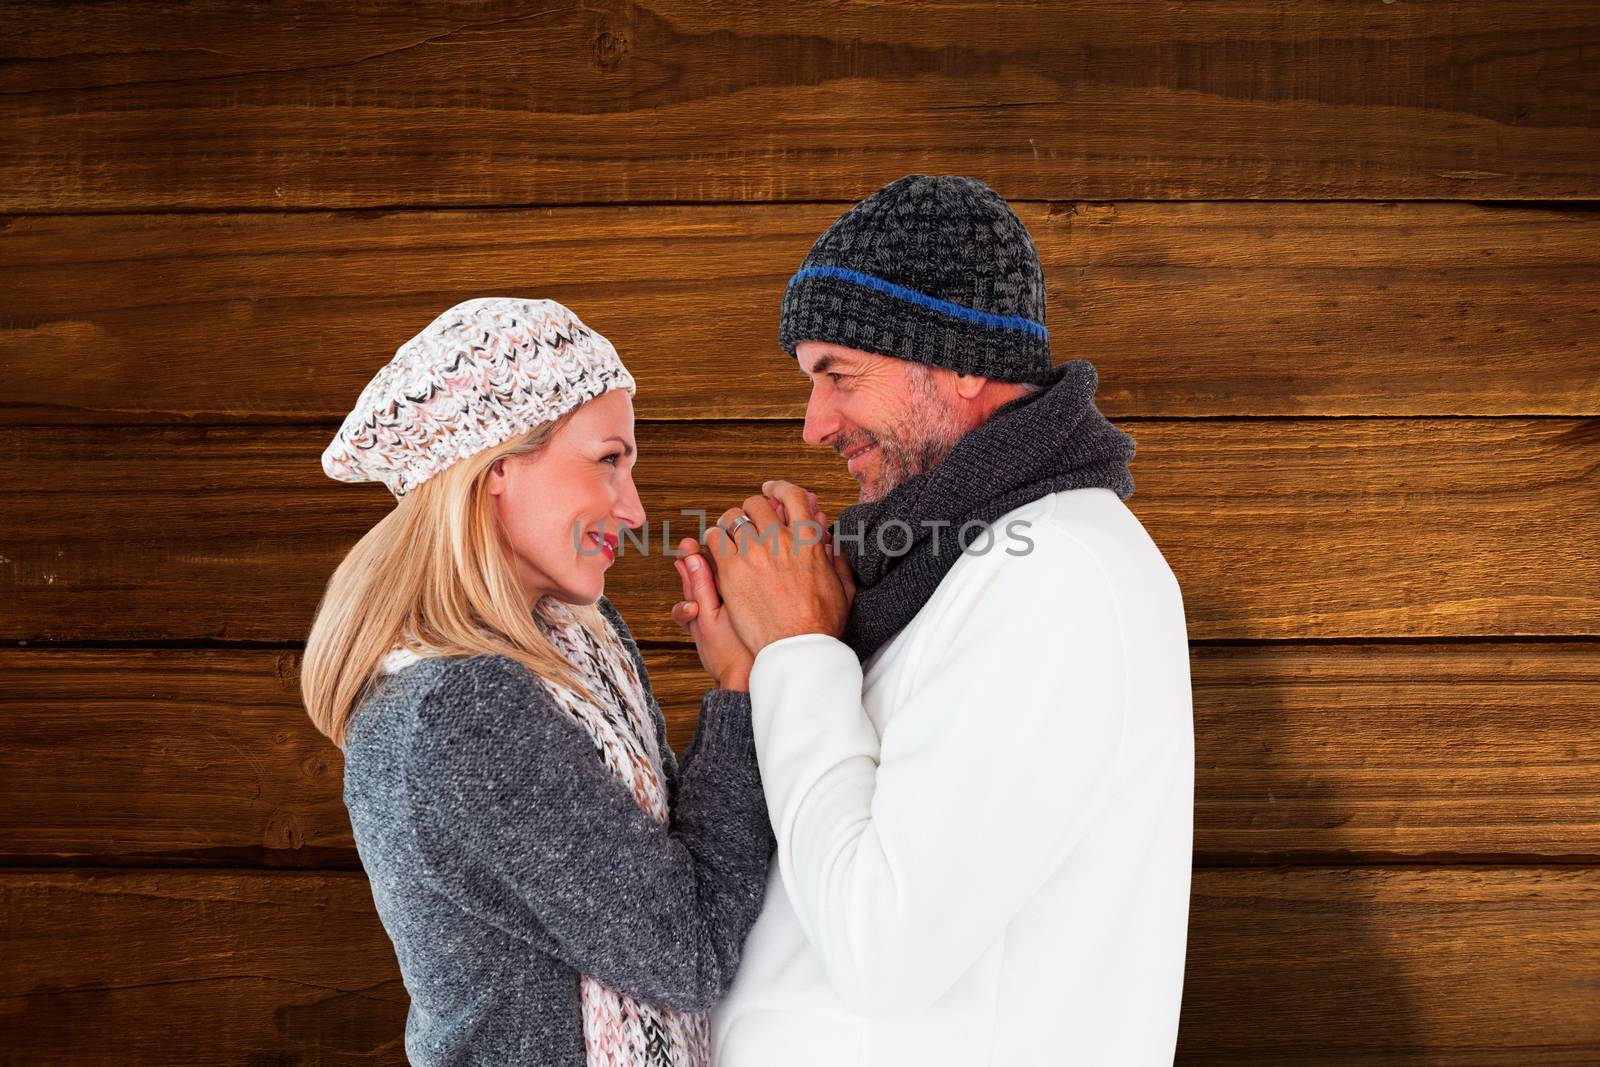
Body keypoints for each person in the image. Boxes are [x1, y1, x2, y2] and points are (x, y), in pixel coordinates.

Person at [685, 175, 1195, 1065]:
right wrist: (761, 672)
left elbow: (884, 946)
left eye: (838, 375)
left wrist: (801, 653)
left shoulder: (1059, 573)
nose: (814, 425)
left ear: (960, 358)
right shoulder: (946, 566)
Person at [300, 296, 775, 1066]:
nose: (632, 508)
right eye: (607, 459)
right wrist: (740, 689)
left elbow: (659, 877)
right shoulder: (462, 710)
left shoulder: (581, 642)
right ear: (497, 469)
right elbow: (689, 948)